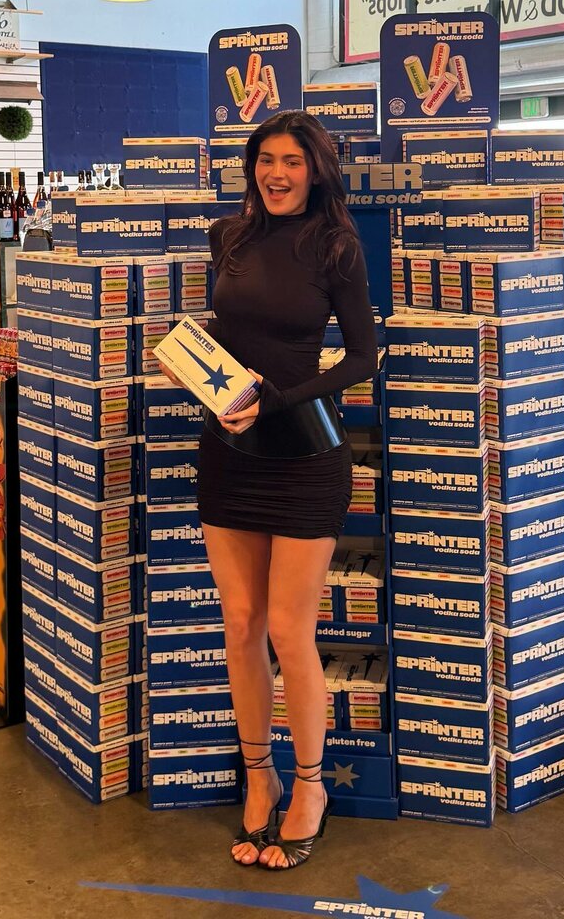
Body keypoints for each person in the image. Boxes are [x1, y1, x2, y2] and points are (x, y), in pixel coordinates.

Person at [160, 110, 377, 870]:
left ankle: (310, 788)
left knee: (289, 629)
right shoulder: (229, 237)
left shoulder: (337, 246)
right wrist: (193, 364)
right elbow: (229, 334)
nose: (276, 173)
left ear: (316, 170)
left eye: (291, 161)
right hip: (230, 453)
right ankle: (261, 778)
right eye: (265, 160)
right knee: (242, 623)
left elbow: (363, 358)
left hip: (305, 457)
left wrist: (278, 399)